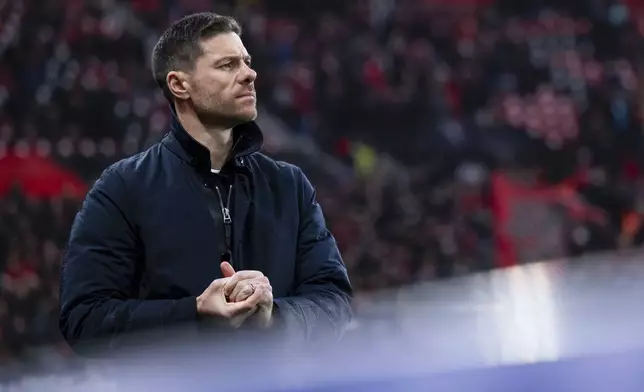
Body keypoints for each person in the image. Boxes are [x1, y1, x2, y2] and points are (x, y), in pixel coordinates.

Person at [58, 12, 353, 355]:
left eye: (247, 61)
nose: (249, 74)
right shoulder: (121, 189)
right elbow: (84, 319)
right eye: (228, 65)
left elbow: (335, 301)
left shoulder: (289, 185)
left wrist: (275, 317)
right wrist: (194, 314)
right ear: (179, 84)